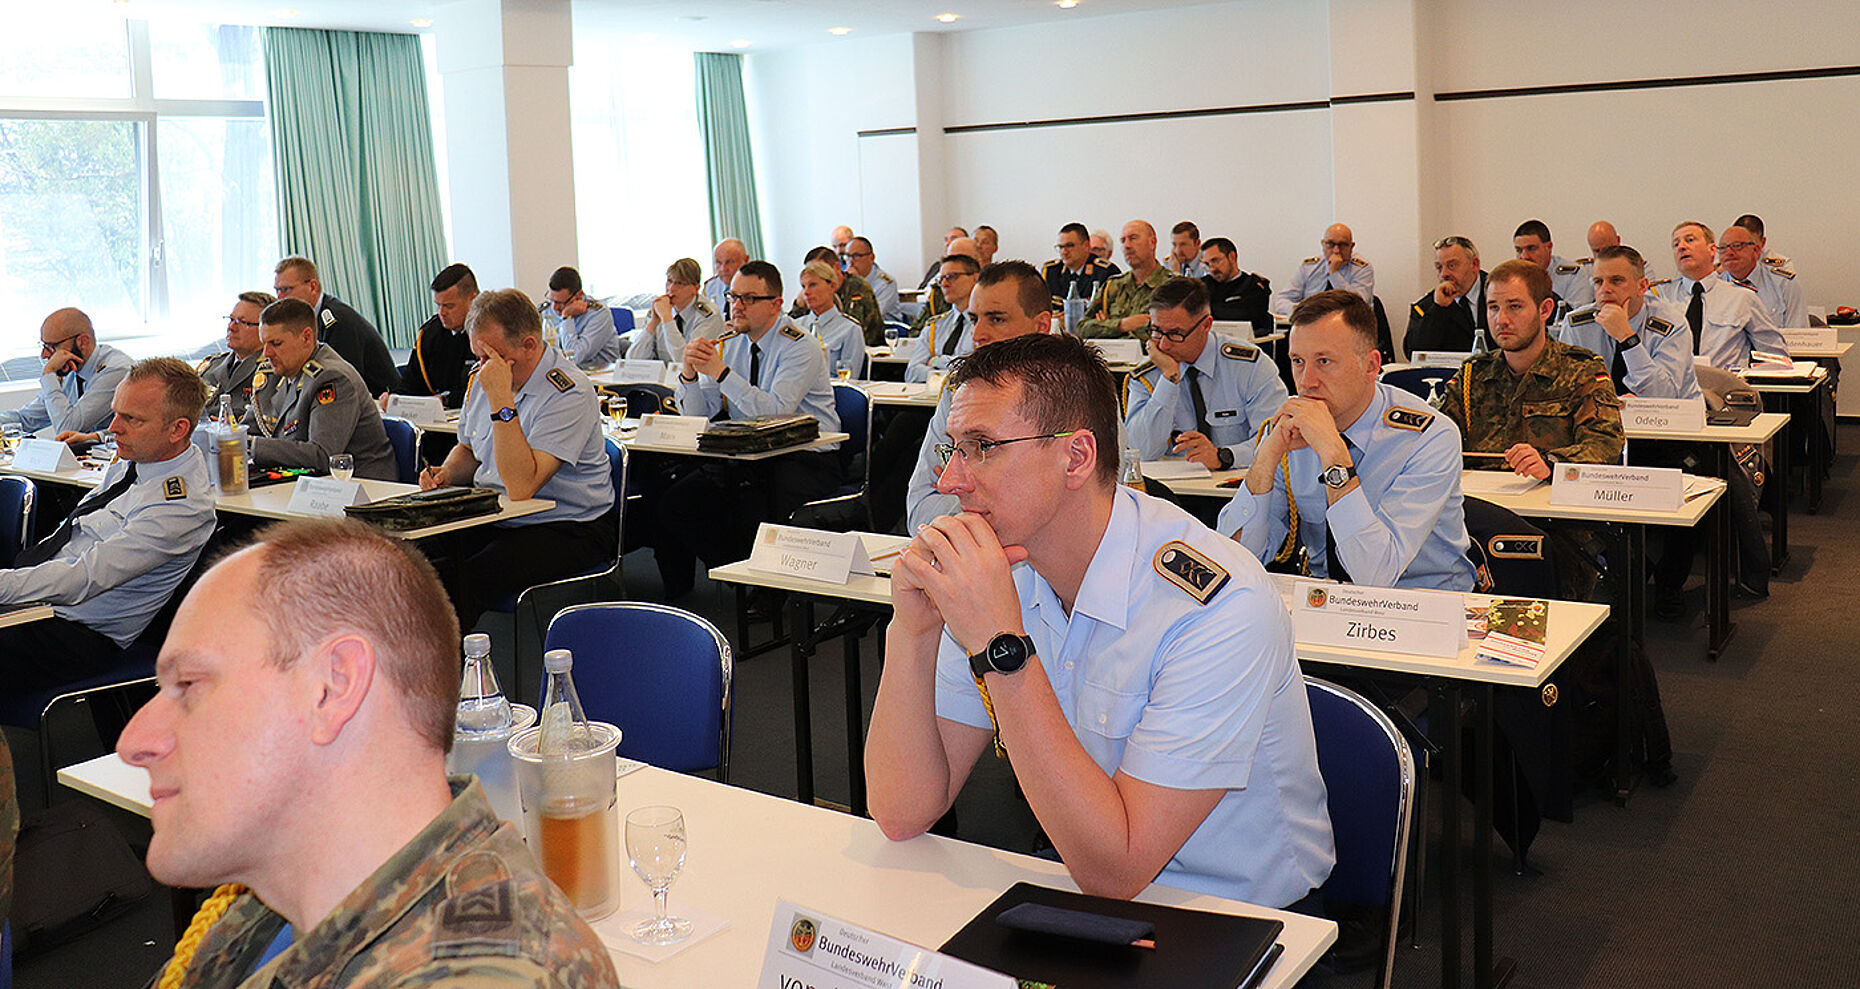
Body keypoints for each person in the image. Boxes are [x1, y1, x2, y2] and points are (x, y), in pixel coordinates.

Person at [865, 333, 1334, 909]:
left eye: (982, 447)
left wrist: (1000, 647)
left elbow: (1118, 870)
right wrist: (911, 633)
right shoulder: (1007, 566)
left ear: (1077, 457)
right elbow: (901, 810)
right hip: (1078, 880)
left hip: (1239, 914)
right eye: (953, 450)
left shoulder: (1218, 606)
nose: (949, 481)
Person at [119, 518, 620, 989]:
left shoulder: (486, 972)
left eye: (189, 685)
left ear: (333, 688)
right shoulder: (274, 897)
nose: (134, 741)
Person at [1220, 291, 1474, 591]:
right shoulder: (1288, 429)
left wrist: (1332, 451)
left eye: (1324, 361)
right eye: (1297, 361)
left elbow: (1376, 574)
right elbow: (1234, 561)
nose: (1307, 381)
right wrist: (1266, 456)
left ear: (1371, 365)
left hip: (1423, 605)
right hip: (1323, 600)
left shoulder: (1428, 437)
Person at [0, 358, 215, 690]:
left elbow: (84, 577)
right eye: (116, 412)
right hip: (42, 605)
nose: (113, 428)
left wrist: (5, 587)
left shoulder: (181, 508)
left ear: (178, 429)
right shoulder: (137, 461)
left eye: (131, 419)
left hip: (75, 634)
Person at [420, 289, 614, 627]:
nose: (484, 368)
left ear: (528, 345)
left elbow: (523, 485)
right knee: (415, 560)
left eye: (494, 357)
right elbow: (468, 449)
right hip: (497, 514)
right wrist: (447, 474)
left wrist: (501, 401)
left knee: (463, 581)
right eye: (478, 357)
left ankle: (448, 672)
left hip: (567, 524)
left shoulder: (569, 391)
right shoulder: (486, 379)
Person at [654, 261, 841, 597]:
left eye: (748, 299)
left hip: (805, 453)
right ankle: (741, 573)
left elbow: (776, 412)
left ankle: (770, 588)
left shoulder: (799, 344)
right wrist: (690, 376)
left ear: (776, 304)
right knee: (675, 502)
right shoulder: (730, 341)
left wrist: (722, 372)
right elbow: (701, 415)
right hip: (749, 453)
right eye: (733, 297)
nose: (736, 306)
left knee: (756, 499)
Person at [882, 261, 1051, 533]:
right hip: (965, 559)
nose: (978, 334)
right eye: (974, 319)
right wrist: (989, 499)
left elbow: (1076, 511)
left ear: (1041, 325)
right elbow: (919, 510)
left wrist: (961, 493)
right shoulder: (959, 391)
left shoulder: (1076, 392)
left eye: (997, 319)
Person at [1434, 259, 1623, 478]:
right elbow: (1436, 435)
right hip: (1481, 499)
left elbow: (1605, 444)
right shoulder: (1473, 374)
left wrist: (1551, 463)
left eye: (1515, 307)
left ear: (1545, 309)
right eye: (1493, 307)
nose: (1501, 320)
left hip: (1547, 503)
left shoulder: (1581, 370)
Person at [1125, 277, 1287, 470]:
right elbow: (1141, 451)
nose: (1163, 345)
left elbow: (1277, 439)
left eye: (1176, 333)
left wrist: (1224, 456)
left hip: (1237, 487)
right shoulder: (1148, 374)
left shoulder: (1249, 366)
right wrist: (1169, 379)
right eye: (1157, 331)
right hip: (1173, 492)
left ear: (1206, 325)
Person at [246, 300, 397, 482]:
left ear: (307, 338)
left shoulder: (332, 378)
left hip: (360, 487)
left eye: (276, 343)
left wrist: (251, 445)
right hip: (306, 482)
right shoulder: (280, 372)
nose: (267, 353)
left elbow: (323, 455)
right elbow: (253, 426)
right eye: (264, 344)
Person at [1556, 246, 1701, 401]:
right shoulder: (1577, 326)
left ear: (1642, 286)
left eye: (1616, 281)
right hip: (1598, 419)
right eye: (1598, 282)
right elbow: (1564, 392)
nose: (1605, 289)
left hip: (1673, 421)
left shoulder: (1672, 324)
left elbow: (1664, 395)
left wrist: (1626, 338)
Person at [1654, 221, 1785, 371]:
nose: (1681, 247)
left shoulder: (1742, 298)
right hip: (1670, 389)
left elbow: (1776, 356)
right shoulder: (1659, 298)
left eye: (1690, 240)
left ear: (1712, 250)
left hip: (1724, 389)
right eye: (1676, 244)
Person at [271, 256, 400, 395]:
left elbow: (341, 381)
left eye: (286, 289)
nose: (279, 298)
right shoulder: (311, 318)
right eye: (277, 290)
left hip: (378, 403)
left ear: (313, 287)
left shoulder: (337, 322)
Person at [1, 308, 132, 438]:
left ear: (82, 342)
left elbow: (68, 428)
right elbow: (26, 419)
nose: (44, 355)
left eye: (51, 347)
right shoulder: (69, 371)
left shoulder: (115, 370)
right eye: (43, 346)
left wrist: (48, 375)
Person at [391, 263, 479, 409]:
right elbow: (412, 384)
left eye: (449, 306)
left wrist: (447, 400)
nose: (442, 313)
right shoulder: (429, 334)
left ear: (472, 300)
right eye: (438, 305)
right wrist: (395, 398)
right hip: (436, 422)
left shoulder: (490, 334)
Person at [1079, 220, 1171, 338]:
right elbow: (1083, 328)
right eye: (1123, 241)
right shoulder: (1113, 286)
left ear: (1152, 243)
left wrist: (1105, 325)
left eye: (1133, 238)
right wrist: (1121, 325)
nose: (1127, 246)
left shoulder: (1173, 285)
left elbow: (1172, 331)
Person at [1269, 224, 1375, 319]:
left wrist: (1334, 274)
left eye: (1342, 245)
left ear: (1351, 246)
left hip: (1349, 326)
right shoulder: (1310, 267)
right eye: (1331, 244)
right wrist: (1300, 310)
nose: (1336, 251)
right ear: (1323, 244)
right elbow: (1282, 299)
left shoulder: (1362, 269)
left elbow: (1359, 305)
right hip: (1310, 327)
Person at [1405, 236, 1490, 354]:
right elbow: (1413, 352)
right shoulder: (1425, 307)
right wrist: (1438, 309)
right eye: (1439, 267)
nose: (1444, 274)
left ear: (1474, 264)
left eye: (1451, 266)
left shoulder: (1499, 292)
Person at [904, 255, 981, 383]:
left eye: (952, 276)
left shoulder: (987, 325)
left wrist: (937, 361)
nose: (944, 284)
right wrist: (945, 375)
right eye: (941, 279)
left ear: (975, 278)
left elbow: (975, 370)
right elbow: (912, 373)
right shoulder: (935, 326)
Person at [198, 292, 273, 421]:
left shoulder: (273, 371)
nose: (231, 327)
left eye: (242, 322)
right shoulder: (211, 366)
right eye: (231, 319)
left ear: (265, 330)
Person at [631, 257, 720, 364]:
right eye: (669, 281)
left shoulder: (708, 316)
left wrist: (667, 319)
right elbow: (632, 360)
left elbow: (686, 362)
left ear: (695, 288)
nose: (671, 288)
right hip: (662, 377)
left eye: (680, 283)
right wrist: (653, 323)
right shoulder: (660, 309)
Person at [792, 245, 886, 346]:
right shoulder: (808, 293)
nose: (813, 275)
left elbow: (860, 330)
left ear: (837, 267)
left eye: (820, 270)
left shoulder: (857, 287)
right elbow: (794, 331)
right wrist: (799, 306)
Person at [1718, 221, 1804, 329]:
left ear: (1757, 250)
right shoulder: (1713, 288)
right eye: (1723, 248)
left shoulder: (1784, 284)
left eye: (1737, 246)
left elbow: (1799, 336)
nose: (1729, 252)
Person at [541, 266, 622, 370]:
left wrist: (566, 318)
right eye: (551, 300)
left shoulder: (599, 314)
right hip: (562, 374)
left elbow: (575, 357)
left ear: (579, 295)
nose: (554, 307)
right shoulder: (546, 311)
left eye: (560, 303)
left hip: (602, 377)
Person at [797, 259, 867, 378]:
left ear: (832, 286)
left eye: (813, 285)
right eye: (804, 287)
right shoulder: (797, 326)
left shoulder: (850, 329)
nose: (806, 292)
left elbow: (848, 381)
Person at [1514, 219, 1593, 314]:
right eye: (1519, 250)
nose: (1524, 256)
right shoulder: (1513, 279)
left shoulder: (1573, 275)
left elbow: (1579, 318)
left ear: (1549, 247)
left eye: (1531, 248)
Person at [1199, 236, 1274, 335]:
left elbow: (1244, 315)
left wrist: (1206, 309)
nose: (1212, 269)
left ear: (1232, 257)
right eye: (1207, 264)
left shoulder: (1254, 286)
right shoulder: (1201, 286)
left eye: (1215, 261)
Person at [1042, 222, 1120, 310]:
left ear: (1086, 246)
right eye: (1060, 247)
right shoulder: (1051, 271)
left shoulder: (1105, 272)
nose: (1064, 252)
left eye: (1070, 246)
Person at [841, 236, 902, 321]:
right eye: (847, 256)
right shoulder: (843, 279)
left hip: (885, 329)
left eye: (856, 256)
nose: (850, 262)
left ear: (871, 258)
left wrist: (857, 283)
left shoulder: (885, 284)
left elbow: (871, 316)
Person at [704, 238, 750, 318]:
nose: (723, 269)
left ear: (745, 260)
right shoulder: (710, 287)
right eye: (718, 263)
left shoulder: (758, 285)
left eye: (730, 262)